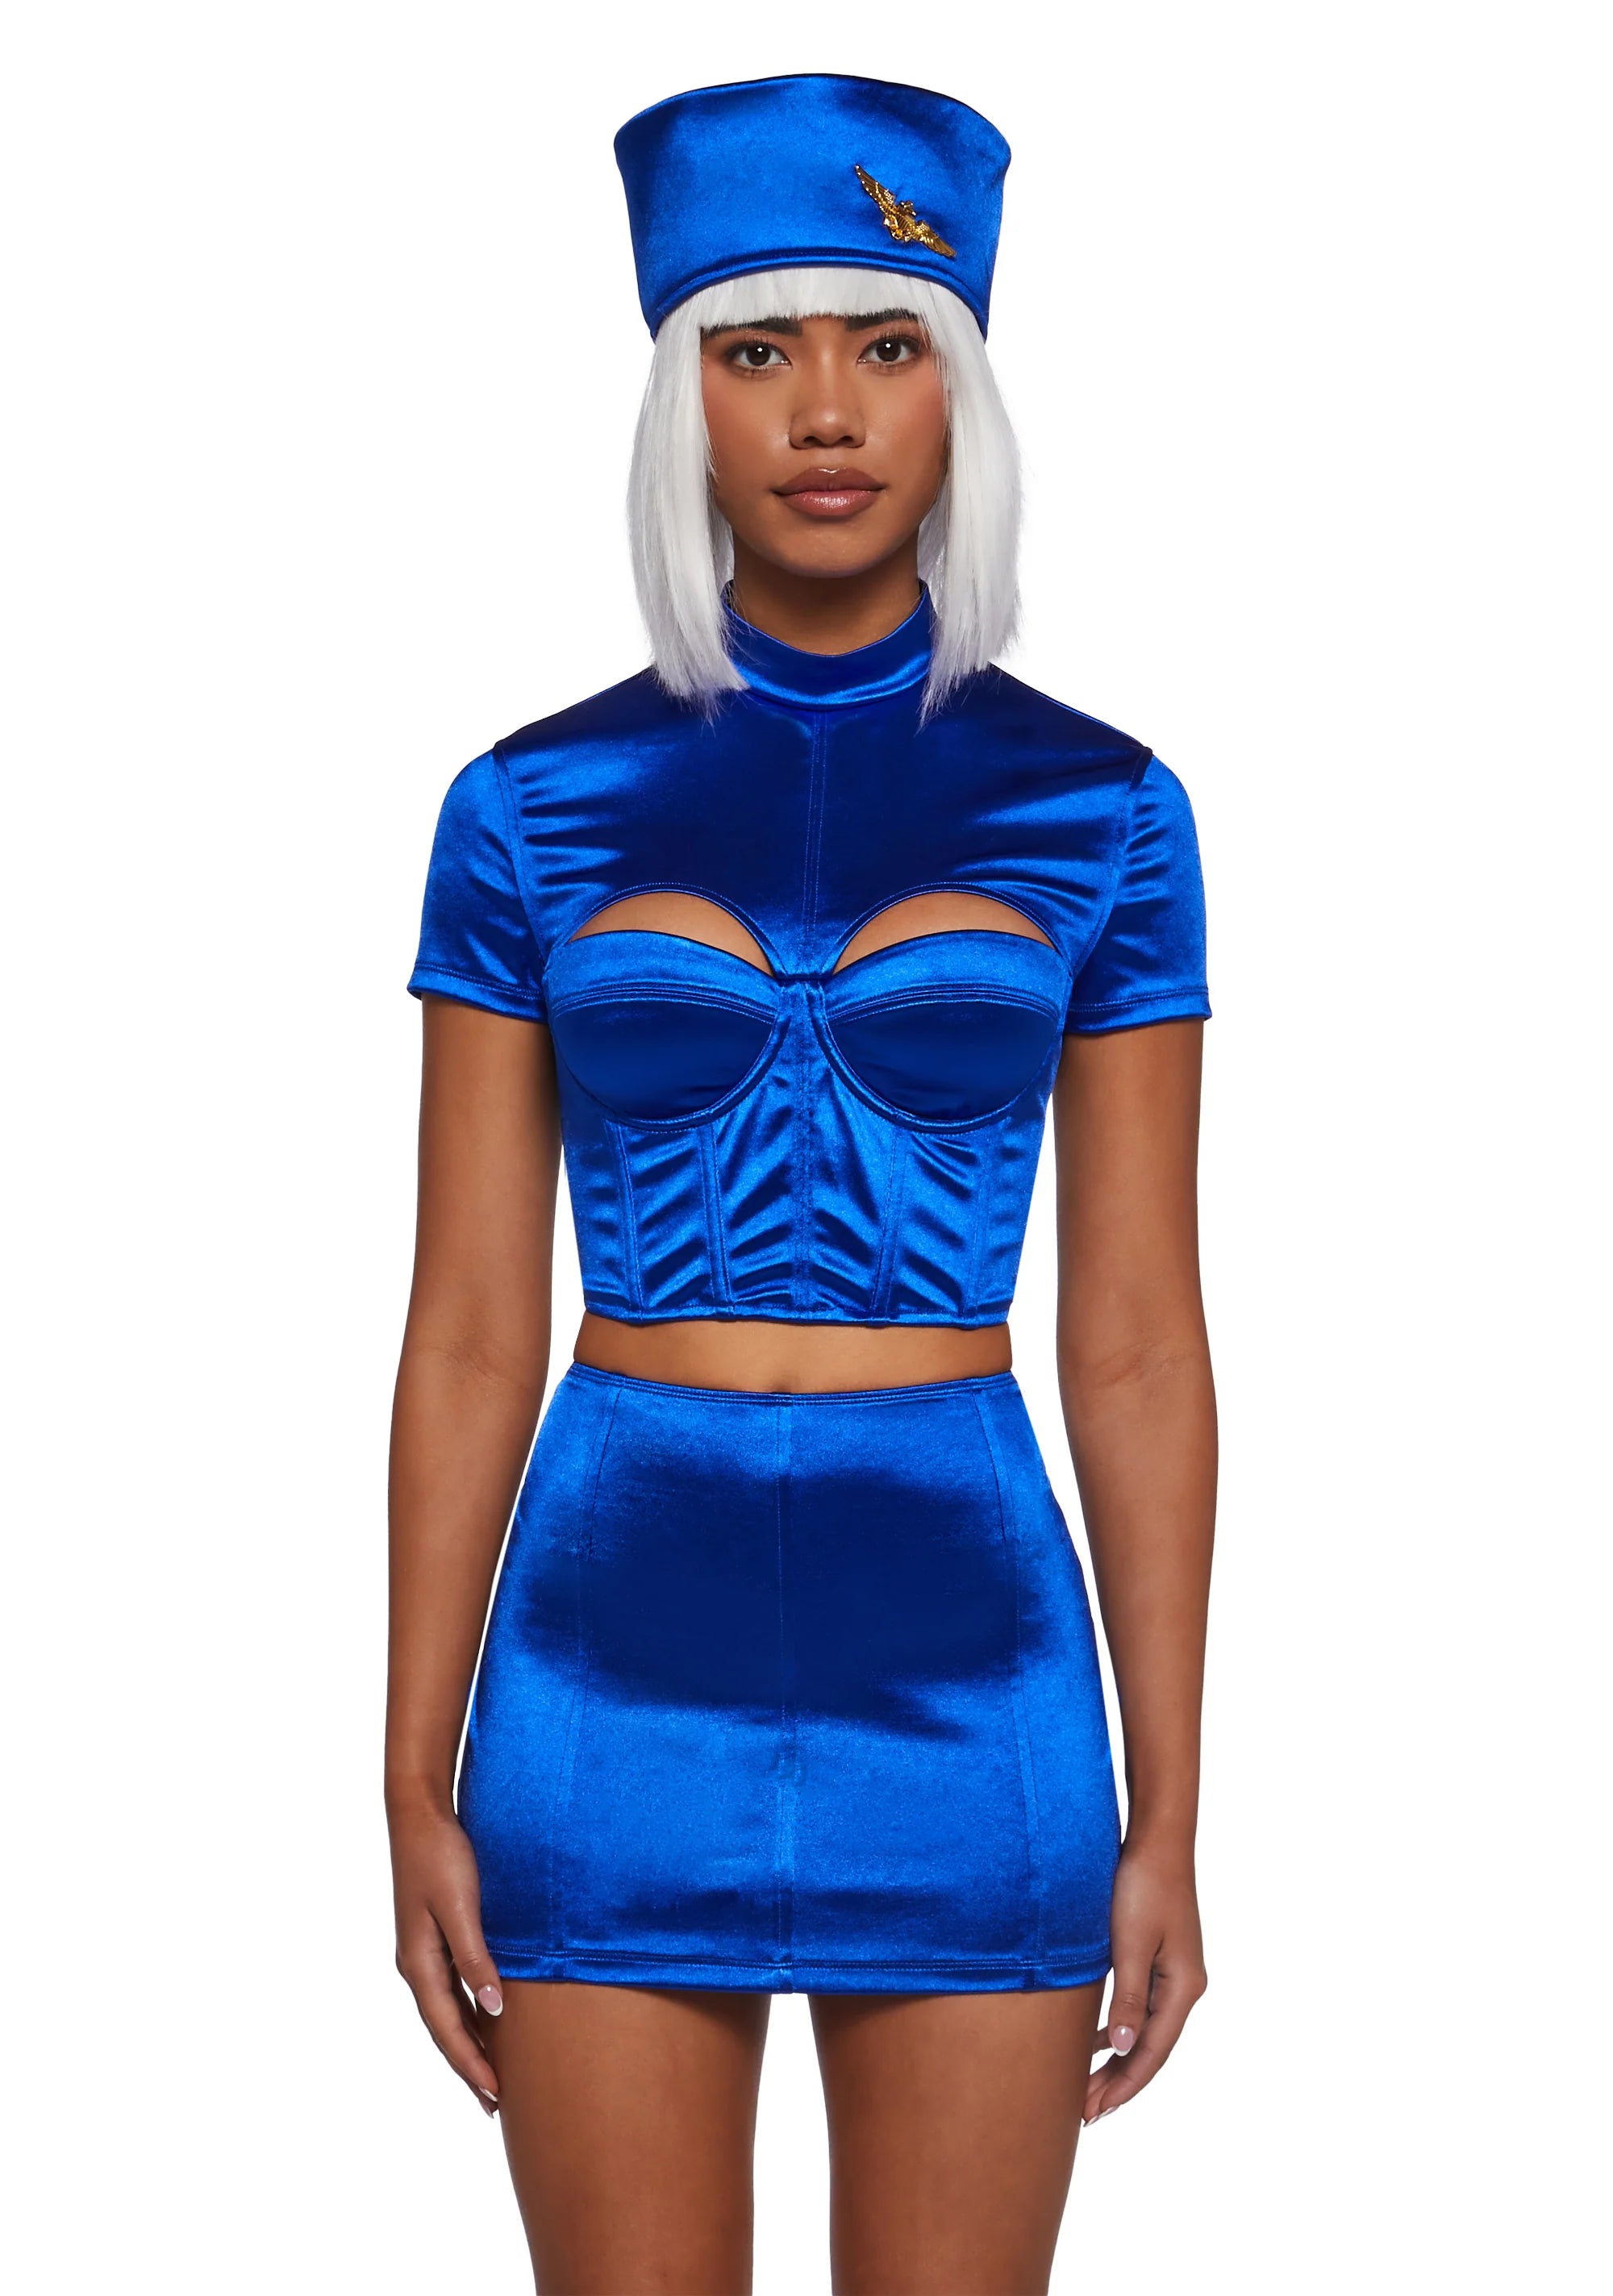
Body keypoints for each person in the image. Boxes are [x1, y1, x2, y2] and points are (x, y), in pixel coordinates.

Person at [388, 73, 1215, 2296]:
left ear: (963, 391)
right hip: (608, 1642)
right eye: (756, 350)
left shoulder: (1108, 812)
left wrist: (1171, 1805)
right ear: (683, 394)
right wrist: (409, 1769)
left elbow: (1141, 1341)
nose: (825, 414)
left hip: (966, 1641)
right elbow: (465, 1326)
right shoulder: (528, 806)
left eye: (886, 345)